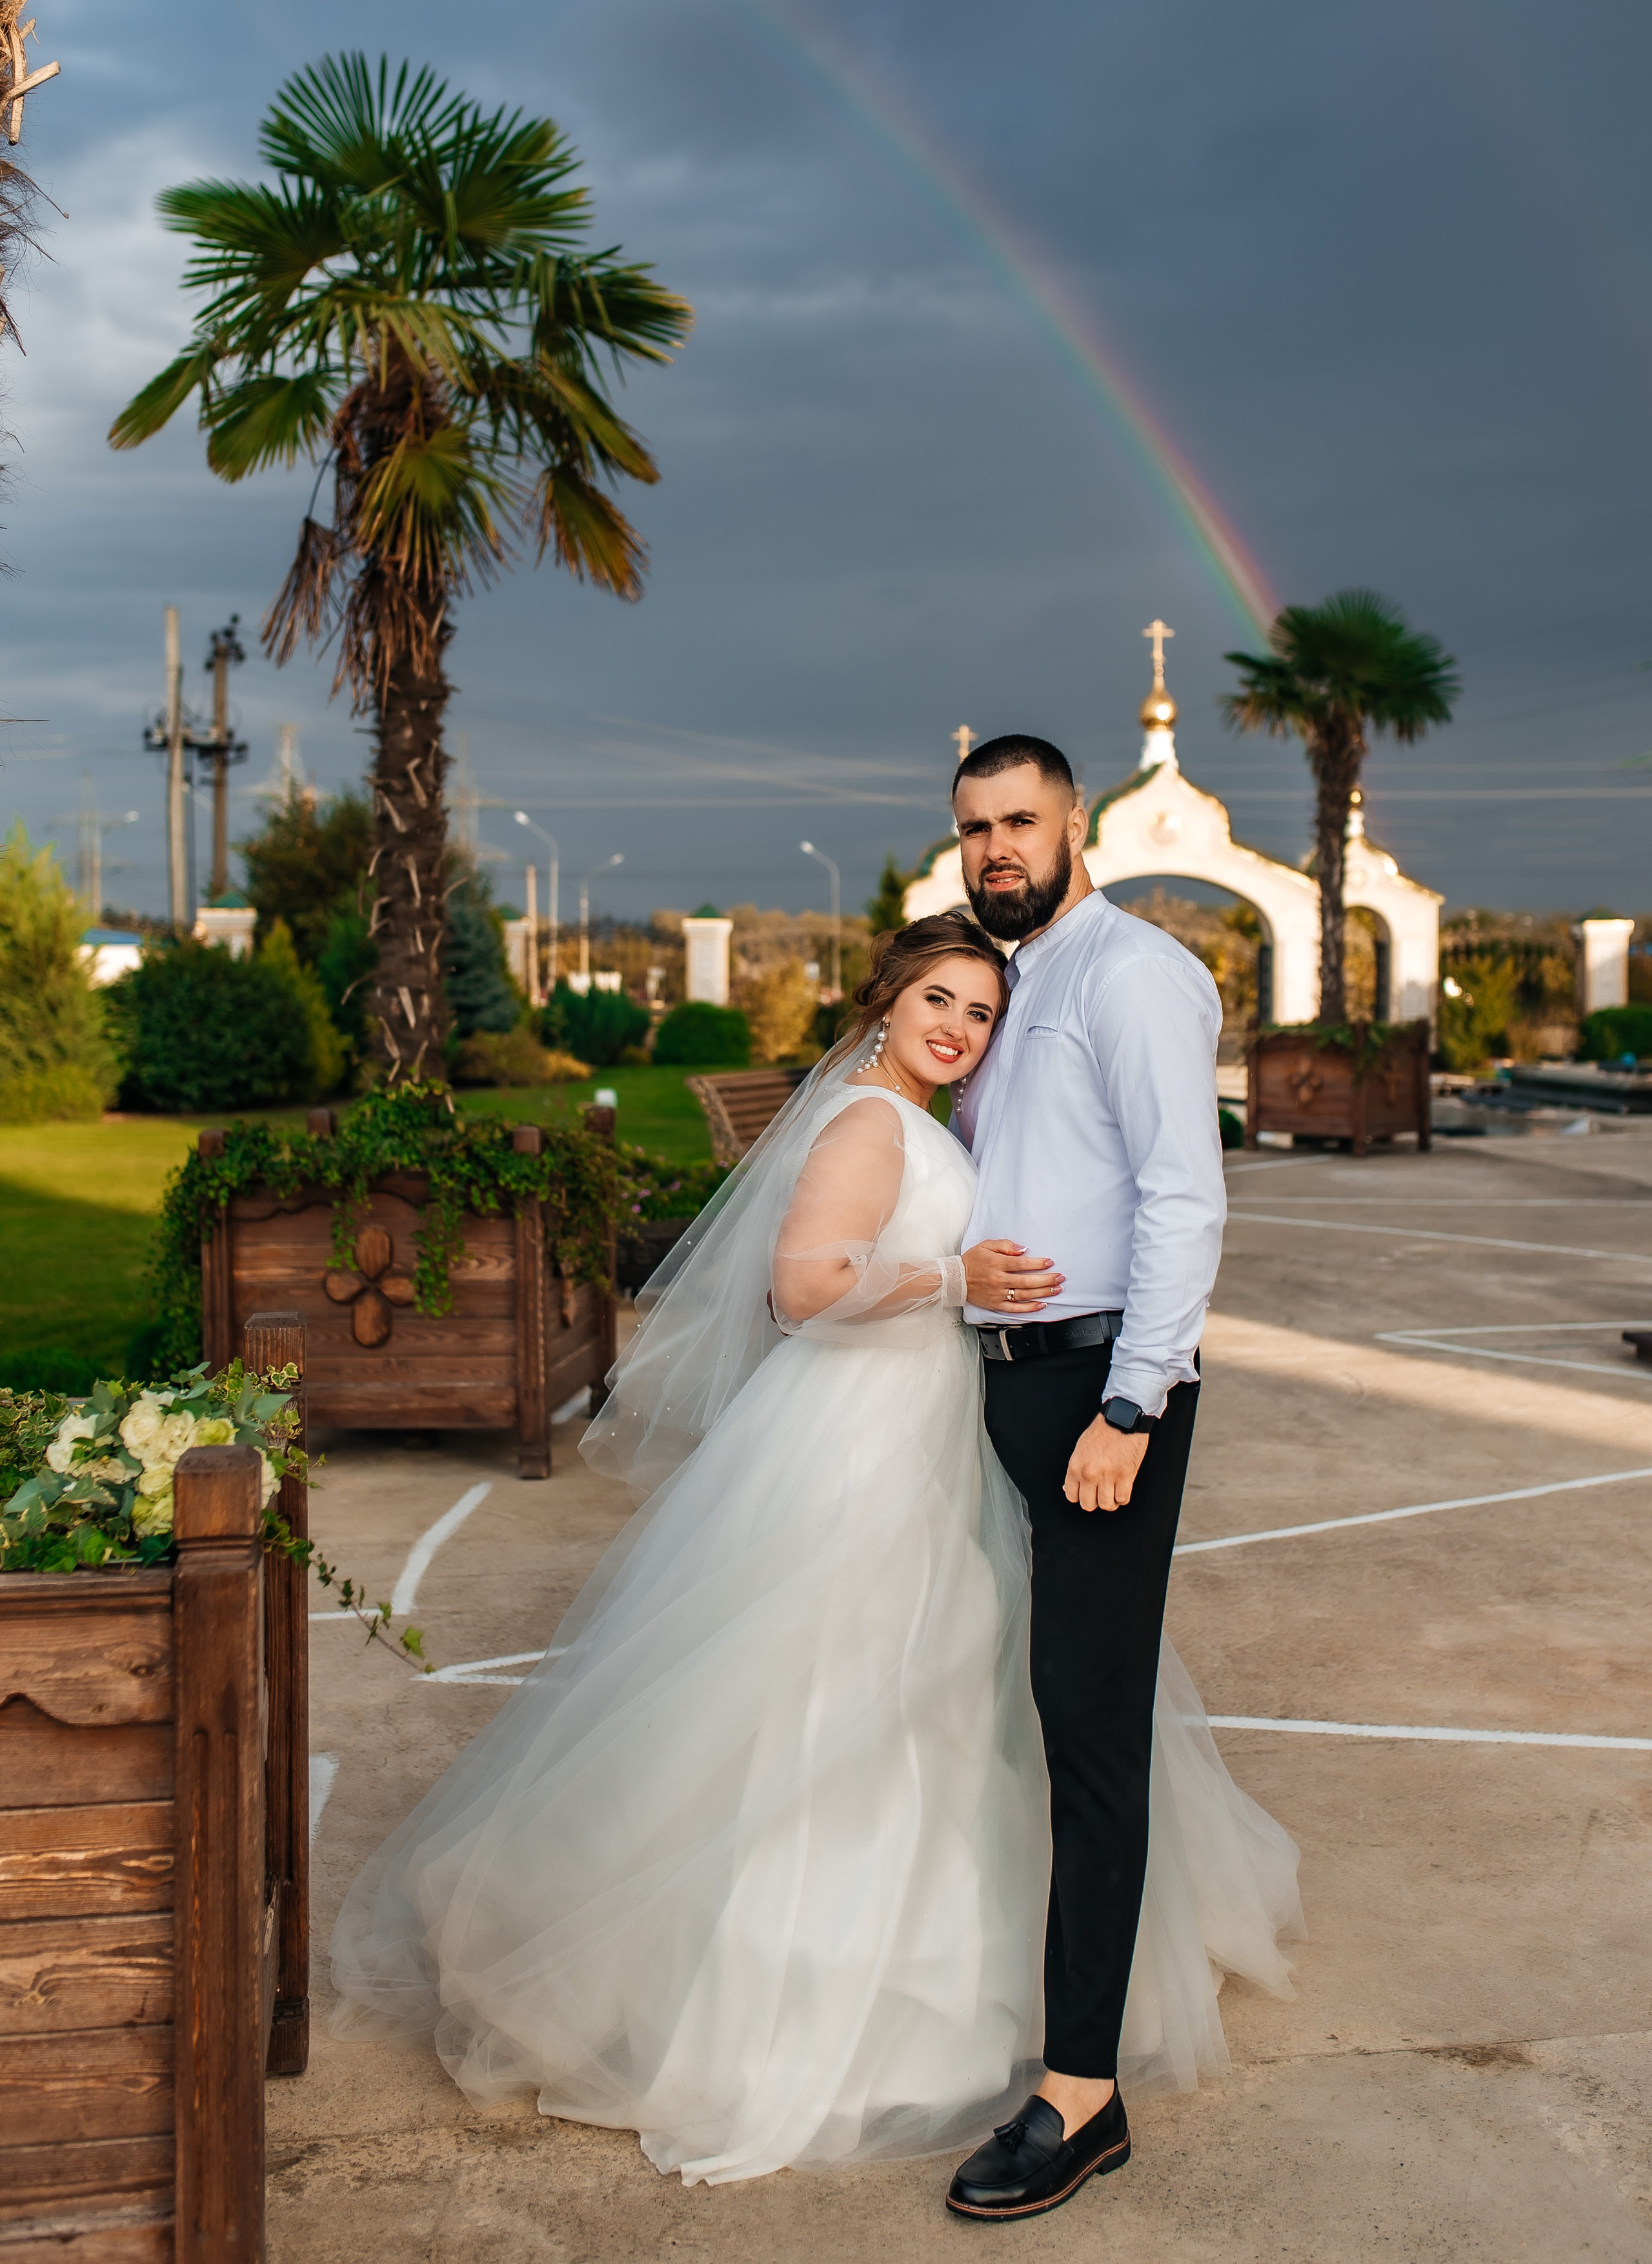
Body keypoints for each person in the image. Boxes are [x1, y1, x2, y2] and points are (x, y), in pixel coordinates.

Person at [330, 909, 1302, 2193]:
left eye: (980, 1012)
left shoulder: (915, 1116)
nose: (958, 1028)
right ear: (882, 1001)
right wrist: (952, 1278)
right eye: (937, 1001)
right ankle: (799, 1997)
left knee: (938, 1699)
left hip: (922, 1429)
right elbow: (800, 1284)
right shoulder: (864, 1119)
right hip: (858, 1447)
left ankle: (941, 1973)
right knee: (845, 1700)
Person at [942, 731, 1260, 2219]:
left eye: (1017, 820)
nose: (994, 846)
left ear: (1077, 823)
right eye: (973, 827)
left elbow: (1181, 1197)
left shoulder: (1128, 971)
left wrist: (1130, 1407)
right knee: (1013, 1703)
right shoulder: (1012, 984)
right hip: (1005, 1380)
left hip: (1098, 1395)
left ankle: (1081, 2092)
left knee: (1087, 1729)